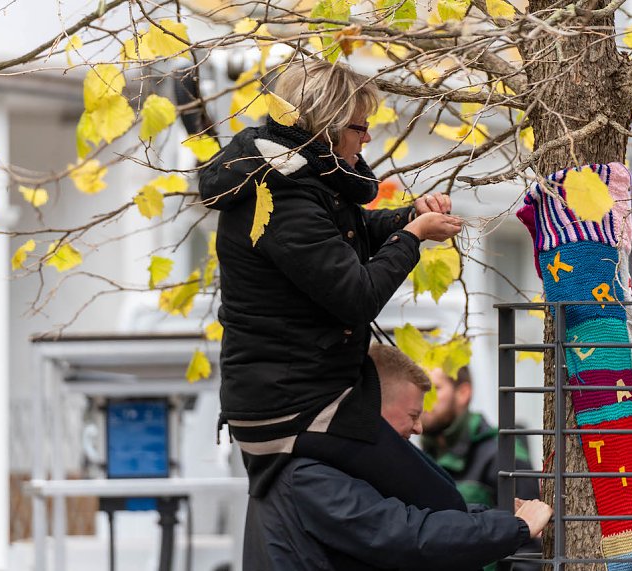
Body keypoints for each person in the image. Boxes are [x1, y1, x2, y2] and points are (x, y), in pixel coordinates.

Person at [199, 59, 465, 511]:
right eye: (360, 127)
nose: (367, 138)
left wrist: (408, 217)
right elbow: (357, 297)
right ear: (328, 129)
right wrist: (412, 237)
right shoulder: (281, 193)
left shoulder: (297, 179)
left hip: (303, 396)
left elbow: (346, 235)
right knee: (440, 505)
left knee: (432, 497)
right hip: (291, 407)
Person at [244, 343, 554, 570]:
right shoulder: (309, 475)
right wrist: (513, 527)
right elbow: (405, 534)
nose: (419, 427)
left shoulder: (324, 465)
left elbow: (409, 517)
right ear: (372, 408)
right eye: (412, 414)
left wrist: (492, 517)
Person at [422, 366, 540, 506]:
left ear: (463, 393)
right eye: (421, 389)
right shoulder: (420, 455)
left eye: (433, 389)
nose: (424, 398)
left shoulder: (504, 453)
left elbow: (529, 523)